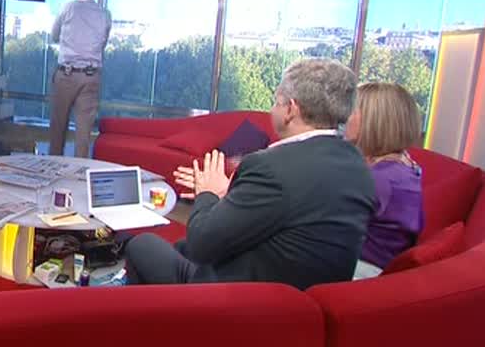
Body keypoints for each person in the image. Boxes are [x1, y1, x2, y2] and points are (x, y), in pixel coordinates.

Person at [123, 58, 376, 290]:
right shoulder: (357, 166)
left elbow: (202, 244)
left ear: (290, 110)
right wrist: (230, 195)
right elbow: (292, 216)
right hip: (304, 299)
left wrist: (207, 193)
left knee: (142, 245)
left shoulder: (270, 167)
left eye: (276, 102)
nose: (273, 110)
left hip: (246, 301)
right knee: (180, 247)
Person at [344, 82, 424, 279]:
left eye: (351, 110)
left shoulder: (382, 180)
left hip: (361, 271)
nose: (343, 117)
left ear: (374, 122)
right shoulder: (404, 166)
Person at [49, 0, 112, 159]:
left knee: (58, 127)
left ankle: (53, 166)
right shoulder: (105, 14)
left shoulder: (69, 7)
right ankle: (80, 171)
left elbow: (54, 36)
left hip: (67, 74)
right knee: (83, 133)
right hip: (91, 75)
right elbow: (102, 44)